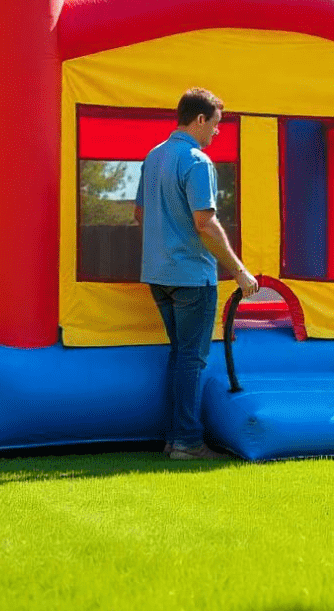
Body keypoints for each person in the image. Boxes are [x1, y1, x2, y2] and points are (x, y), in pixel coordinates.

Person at [134, 88, 259, 460]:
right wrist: (238, 271)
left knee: (181, 357)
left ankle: (176, 440)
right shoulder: (197, 161)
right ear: (200, 119)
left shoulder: (153, 156)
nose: (217, 133)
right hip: (191, 278)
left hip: (158, 275)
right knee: (191, 359)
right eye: (216, 125)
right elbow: (205, 223)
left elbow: (140, 215)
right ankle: (186, 443)